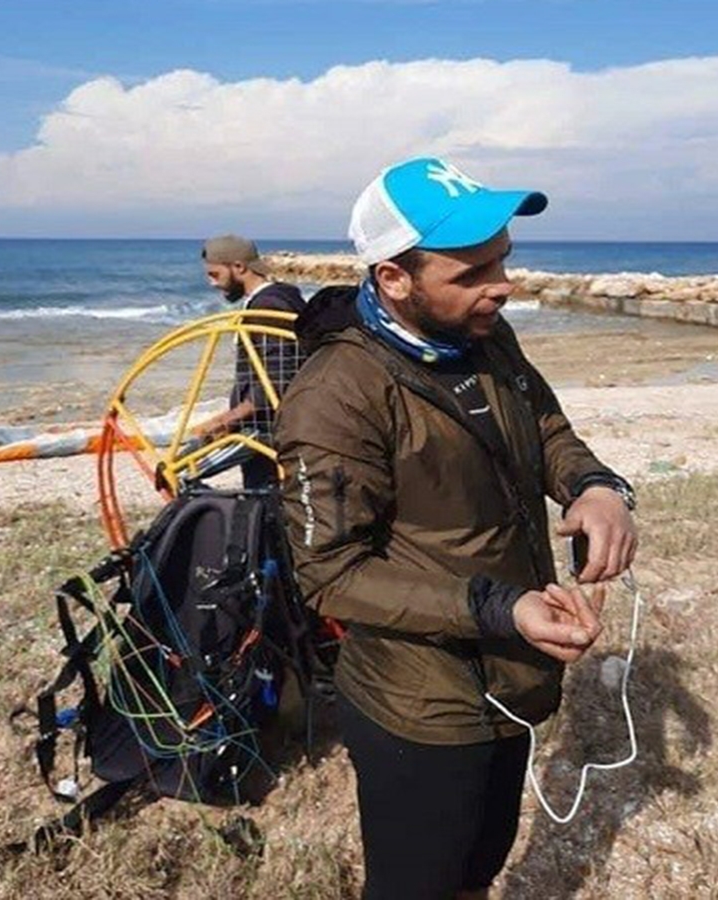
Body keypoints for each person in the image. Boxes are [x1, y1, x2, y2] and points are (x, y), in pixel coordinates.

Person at [274, 158, 638, 899]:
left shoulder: (487, 336)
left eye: (503, 260)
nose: (501, 286)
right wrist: (502, 608)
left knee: (479, 869)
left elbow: (543, 425)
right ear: (393, 279)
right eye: (472, 272)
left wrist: (593, 486)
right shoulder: (334, 397)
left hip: (514, 674)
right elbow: (330, 574)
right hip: (423, 707)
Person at [200, 234, 307, 488]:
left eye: (215, 275)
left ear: (239, 267)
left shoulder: (269, 307)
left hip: (270, 431)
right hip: (275, 427)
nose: (212, 283)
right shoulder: (280, 298)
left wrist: (228, 418)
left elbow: (279, 378)